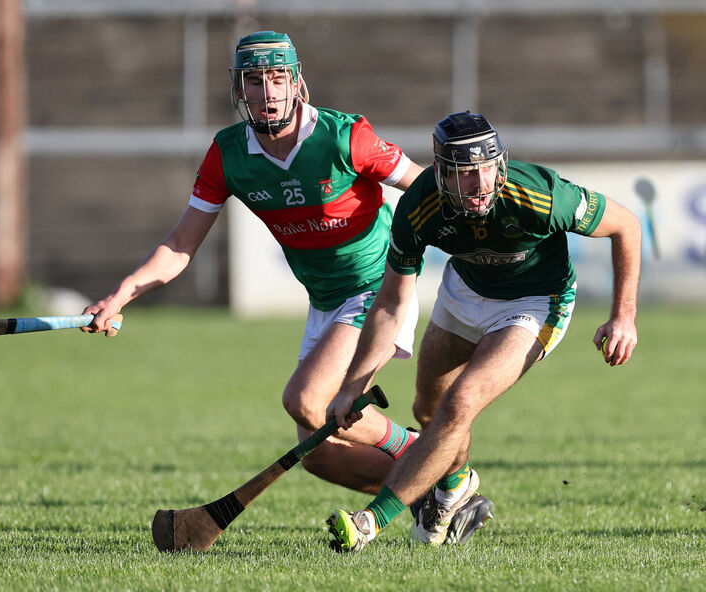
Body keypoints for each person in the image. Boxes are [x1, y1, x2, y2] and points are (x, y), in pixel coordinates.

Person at [82, 31, 425, 494]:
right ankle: (429, 490)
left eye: (278, 78)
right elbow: (182, 244)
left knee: (308, 401)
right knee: (319, 452)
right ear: (239, 90)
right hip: (325, 299)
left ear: (296, 82)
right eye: (255, 81)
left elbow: (427, 190)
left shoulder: (344, 137)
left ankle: (431, 456)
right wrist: (120, 296)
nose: (268, 92)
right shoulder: (228, 155)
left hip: (377, 289)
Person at [324, 111, 641, 552]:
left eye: (487, 168)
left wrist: (622, 316)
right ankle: (455, 488)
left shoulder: (540, 194)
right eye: (464, 174)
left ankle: (370, 522)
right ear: (439, 173)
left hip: (536, 304)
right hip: (464, 292)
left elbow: (626, 226)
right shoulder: (419, 207)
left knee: (461, 404)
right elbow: (392, 304)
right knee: (430, 412)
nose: (480, 184)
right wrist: (355, 385)